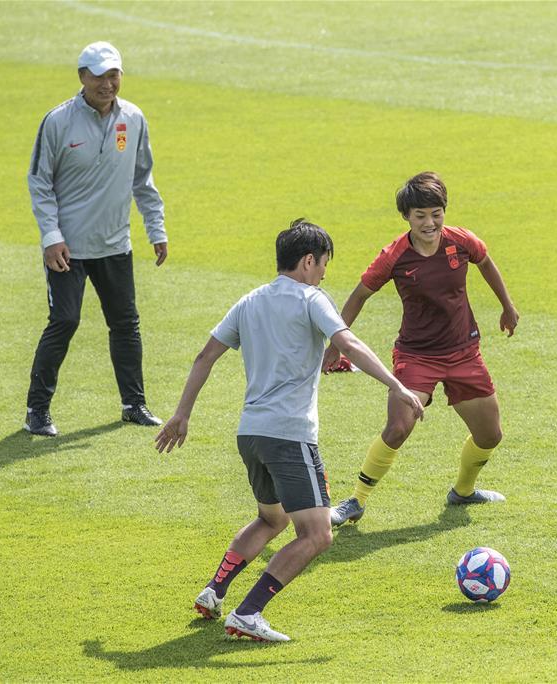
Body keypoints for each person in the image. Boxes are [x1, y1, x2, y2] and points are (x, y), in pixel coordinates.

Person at [155, 220, 423, 642]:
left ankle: (214, 591)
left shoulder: (249, 301)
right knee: (318, 534)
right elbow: (348, 343)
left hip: (251, 434)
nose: (323, 275)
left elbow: (205, 356)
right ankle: (248, 613)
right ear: (308, 260)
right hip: (289, 435)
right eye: (322, 266)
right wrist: (397, 385)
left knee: (271, 518)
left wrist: (181, 414)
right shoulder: (311, 298)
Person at [324, 171, 519, 526]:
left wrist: (507, 306)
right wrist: (336, 343)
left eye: (436, 213)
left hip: (464, 352)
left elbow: (486, 263)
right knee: (399, 426)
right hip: (417, 356)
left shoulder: (462, 241)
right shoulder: (394, 257)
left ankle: (462, 492)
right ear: (407, 217)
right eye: (420, 216)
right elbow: (359, 295)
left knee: (490, 435)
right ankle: (356, 500)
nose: (430, 222)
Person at [24, 41, 167, 436]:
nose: (108, 83)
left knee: (125, 323)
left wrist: (156, 229)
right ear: (82, 77)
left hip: (115, 244)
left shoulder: (133, 118)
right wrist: (51, 237)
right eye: (100, 76)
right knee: (65, 321)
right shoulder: (57, 122)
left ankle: (134, 404)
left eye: (114, 75)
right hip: (67, 248)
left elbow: (143, 179)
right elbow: (39, 182)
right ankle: (37, 411)